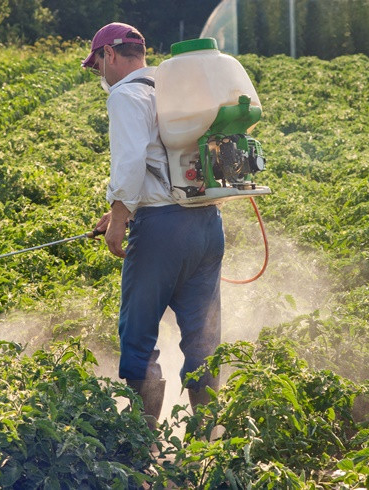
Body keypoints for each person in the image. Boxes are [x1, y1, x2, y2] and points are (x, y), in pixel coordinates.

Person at [82, 22, 224, 429]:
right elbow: (164, 162)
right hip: (206, 224)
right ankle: (208, 442)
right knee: (203, 339)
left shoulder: (127, 94)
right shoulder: (171, 87)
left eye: (97, 67)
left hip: (162, 231)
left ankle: (144, 443)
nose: (100, 77)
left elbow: (128, 163)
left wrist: (119, 221)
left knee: (139, 336)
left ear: (109, 55)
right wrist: (122, 211)